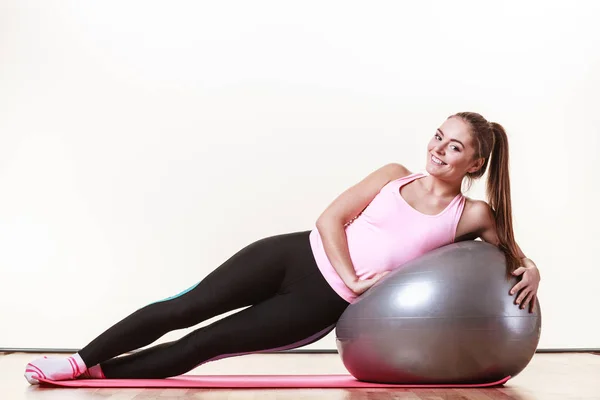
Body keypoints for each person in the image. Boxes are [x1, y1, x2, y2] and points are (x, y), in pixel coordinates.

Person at [24, 111, 541, 384]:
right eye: (438, 135)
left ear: (474, 164)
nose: (439, 149)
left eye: (455, 146)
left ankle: (100, 373)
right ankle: (76, 360)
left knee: (205, 343)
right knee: (183, 307)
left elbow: (511, 253)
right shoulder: (391, 175)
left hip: (318, 303)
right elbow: (331, 218)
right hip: (291, 254)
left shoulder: (470, 215)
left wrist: (533, 270)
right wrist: (356, 276)